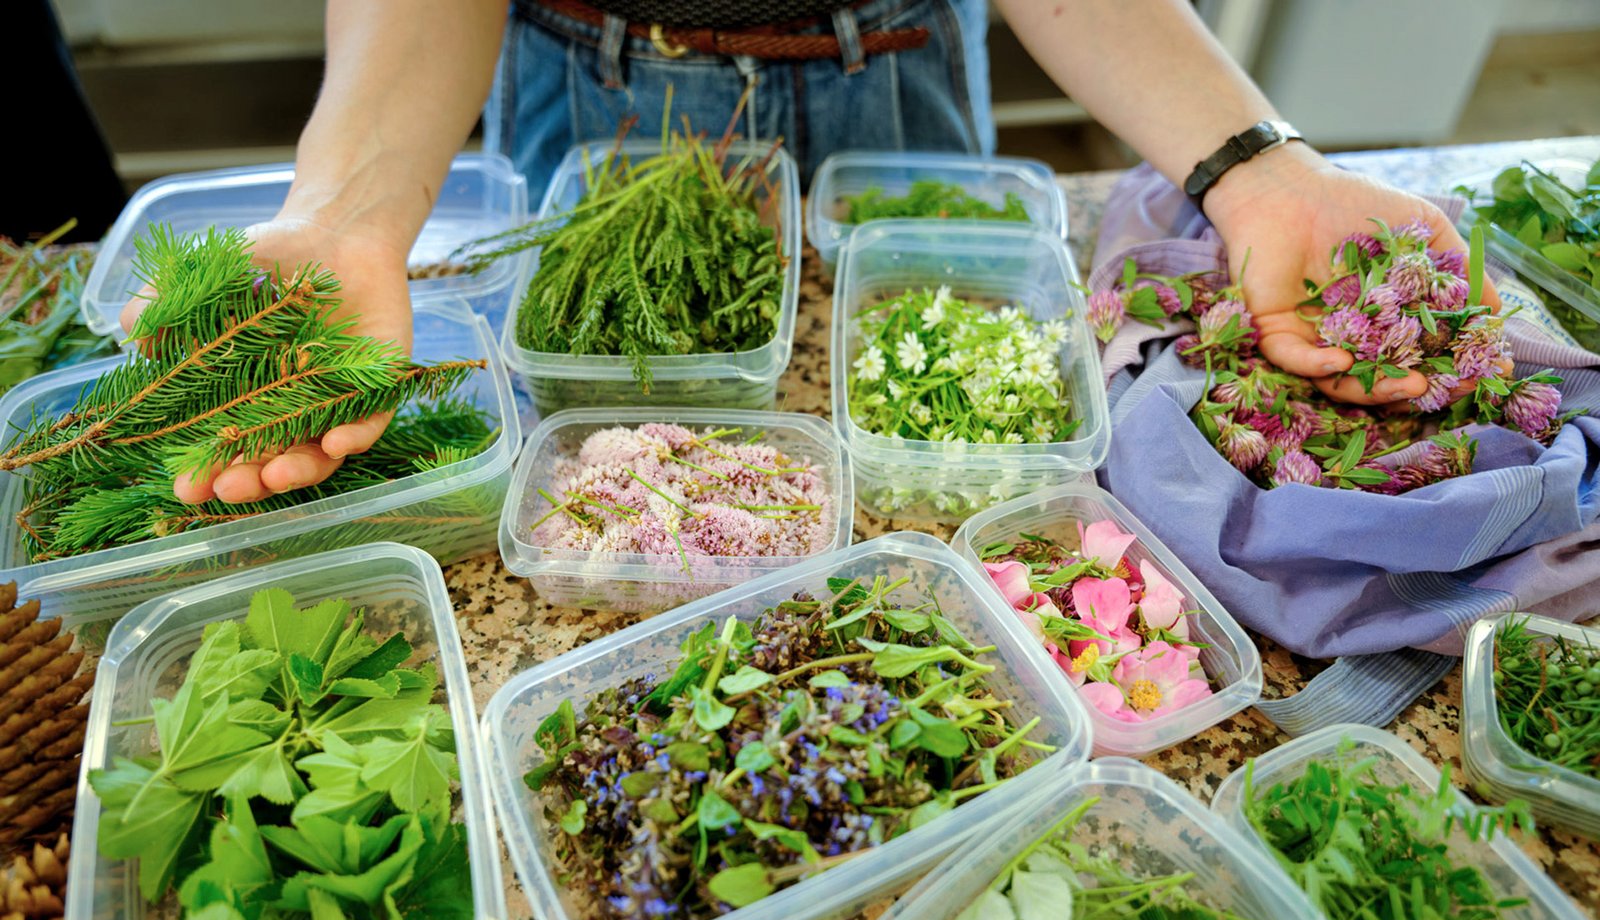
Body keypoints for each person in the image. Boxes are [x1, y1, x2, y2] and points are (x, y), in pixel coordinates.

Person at [124, 0, 1497, 505]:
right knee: (610, 433)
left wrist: (1253, 167)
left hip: (894, 75)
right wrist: (353, 209)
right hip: (595, 81)